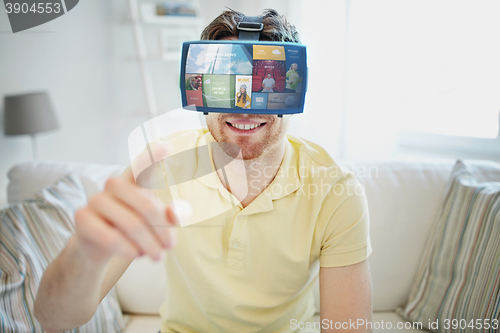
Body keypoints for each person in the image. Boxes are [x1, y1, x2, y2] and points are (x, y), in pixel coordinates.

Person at [35, 8, 373, 333]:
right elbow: (55, 320)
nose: (243, 109)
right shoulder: (161, 164)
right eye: (226, 84)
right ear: (201, 89)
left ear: (292, 89)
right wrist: (83, 253)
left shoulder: (334, 189)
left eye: (260, 90)